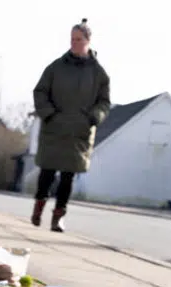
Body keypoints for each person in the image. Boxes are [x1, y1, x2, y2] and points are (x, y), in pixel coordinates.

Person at [31, 20, 111, 232]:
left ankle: (58, 217)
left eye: (78, 39)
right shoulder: (56, 67)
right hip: (55, 128)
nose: (74, 43)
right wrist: (48, 114)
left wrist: (94, 117)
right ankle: (38, 207)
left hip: (80, 131)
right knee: (46, 173)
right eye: (72, 39)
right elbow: (40, 92)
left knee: (68, 176)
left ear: (88, 41)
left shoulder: (99, 74)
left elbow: (104, 102)